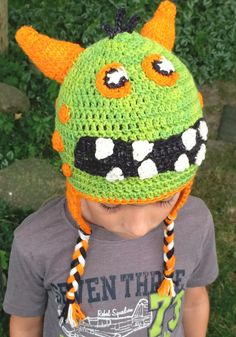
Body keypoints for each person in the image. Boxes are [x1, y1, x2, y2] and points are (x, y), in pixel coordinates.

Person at [3, 1, 218, 337]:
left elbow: (193, 300)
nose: (137, 227)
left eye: (163, 201)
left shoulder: (196, 223)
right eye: (111, 204)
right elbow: (25, 323)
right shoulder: (35, 243)